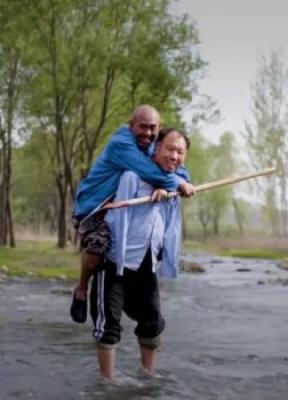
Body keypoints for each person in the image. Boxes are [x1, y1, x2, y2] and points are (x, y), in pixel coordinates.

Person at [70, 105, 194, 324]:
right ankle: (81, 287)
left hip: (119, 210)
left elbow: (175, 169)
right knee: (99, 245)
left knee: (141, 252)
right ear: (131, 126)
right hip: (95, 209)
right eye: (142, 127)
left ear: (159, 128)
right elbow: (149, 171)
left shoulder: (151, 146)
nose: (147, 132)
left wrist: (172, 185)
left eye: (152, 128)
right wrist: (176, 183)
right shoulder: (122, 145)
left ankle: (130, 306)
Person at [90, 128, 190, 379]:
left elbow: (182, 179)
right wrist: (162, 182)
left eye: (180, 152)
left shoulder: (177, 181)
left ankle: (147, 378)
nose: (174, 156)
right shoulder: (130, 175)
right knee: (109, 327)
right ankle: (107, 385)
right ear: (155, 148)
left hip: (147, 264)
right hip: (114, 261)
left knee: (152, 323)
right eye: (169, 149)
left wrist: (170, 187)